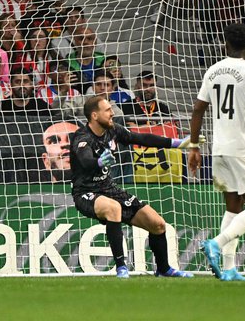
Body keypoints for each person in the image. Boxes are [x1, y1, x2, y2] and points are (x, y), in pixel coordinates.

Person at [71, 95, 196, 278]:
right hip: (85, 192)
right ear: (95, 115)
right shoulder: (82, 137)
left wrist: (176, 143)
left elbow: (142, 138)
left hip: (109, 189)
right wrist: (98, 162)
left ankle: (163, 269)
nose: (112, 112)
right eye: (107, 110)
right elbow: (85, 160)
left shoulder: (113, 130)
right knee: (113, 208)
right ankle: (121, 267)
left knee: (158, 225)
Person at [188, 23, 245, 281]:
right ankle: (216, 243)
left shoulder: (213, 70)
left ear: (224, 42)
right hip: (243, 149)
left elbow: (197, 109)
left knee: (233, 207)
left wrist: (194, 146)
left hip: (220, 149)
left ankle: (228, 269)